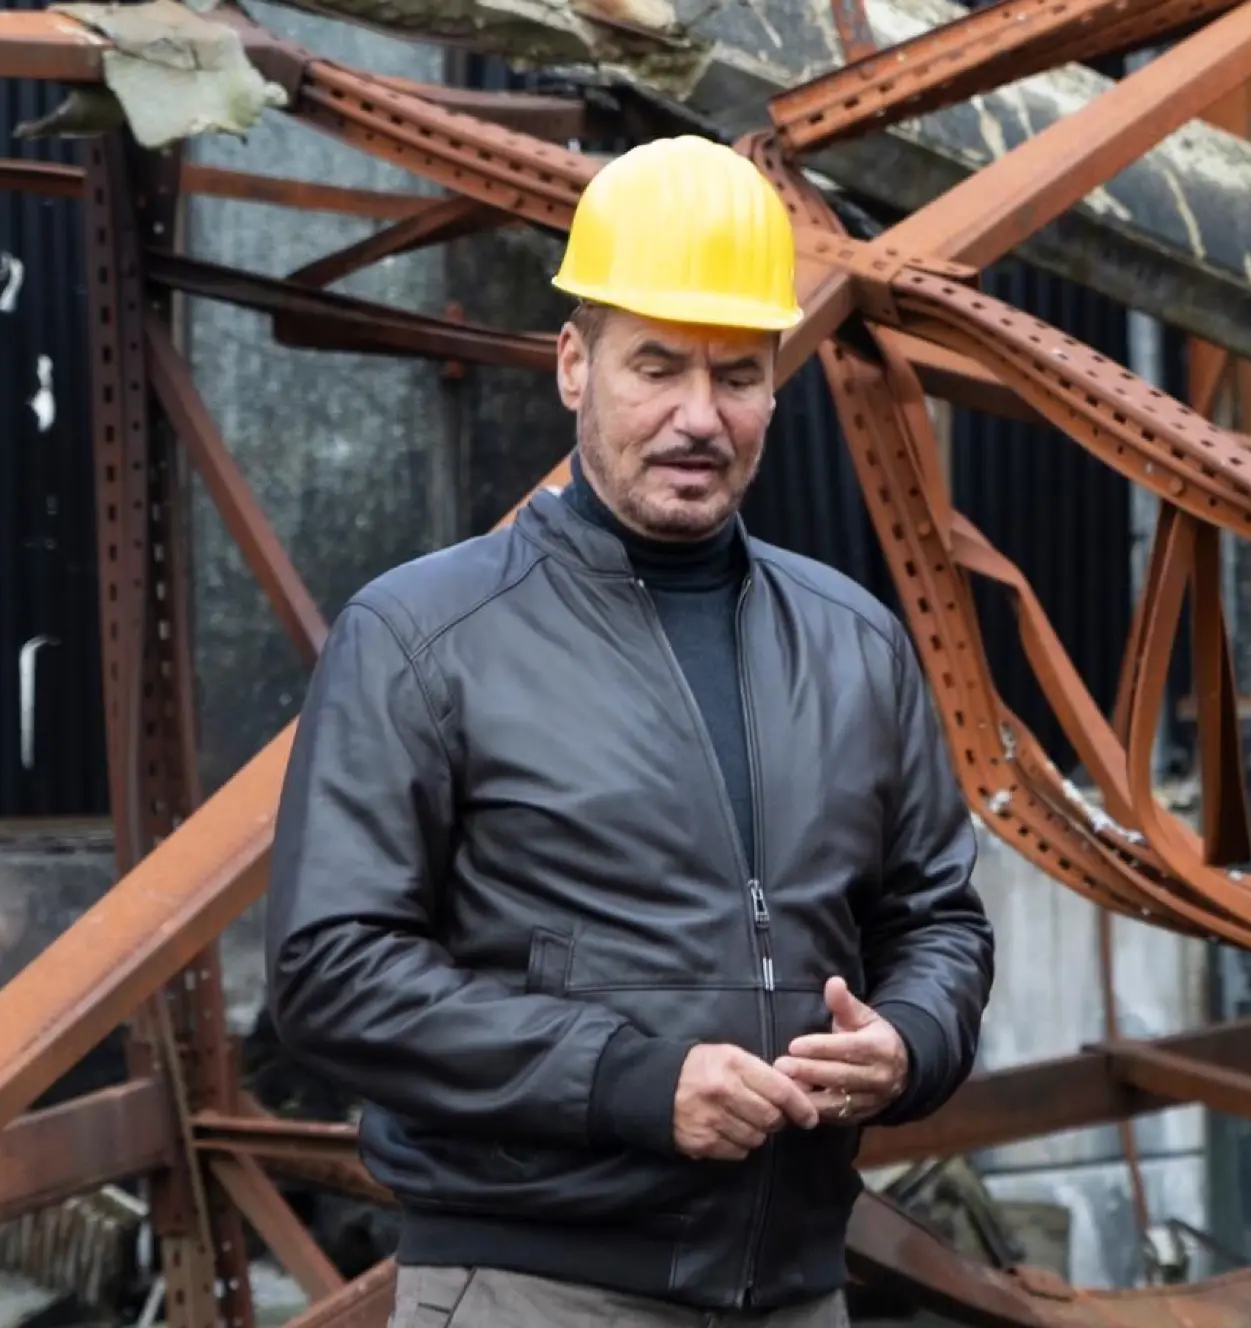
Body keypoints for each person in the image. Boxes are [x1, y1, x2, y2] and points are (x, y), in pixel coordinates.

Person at [263, 135, 996, 1328]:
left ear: (775, 387)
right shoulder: (423, 635)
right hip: (531, 1289)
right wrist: (630, 1080)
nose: (699, 416)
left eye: (737, 374)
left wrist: (908, 1039)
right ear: (574, 364)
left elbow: (937, 918)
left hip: (794, 1289)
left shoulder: (854, 641)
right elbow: (332, 968)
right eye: (656, 366)